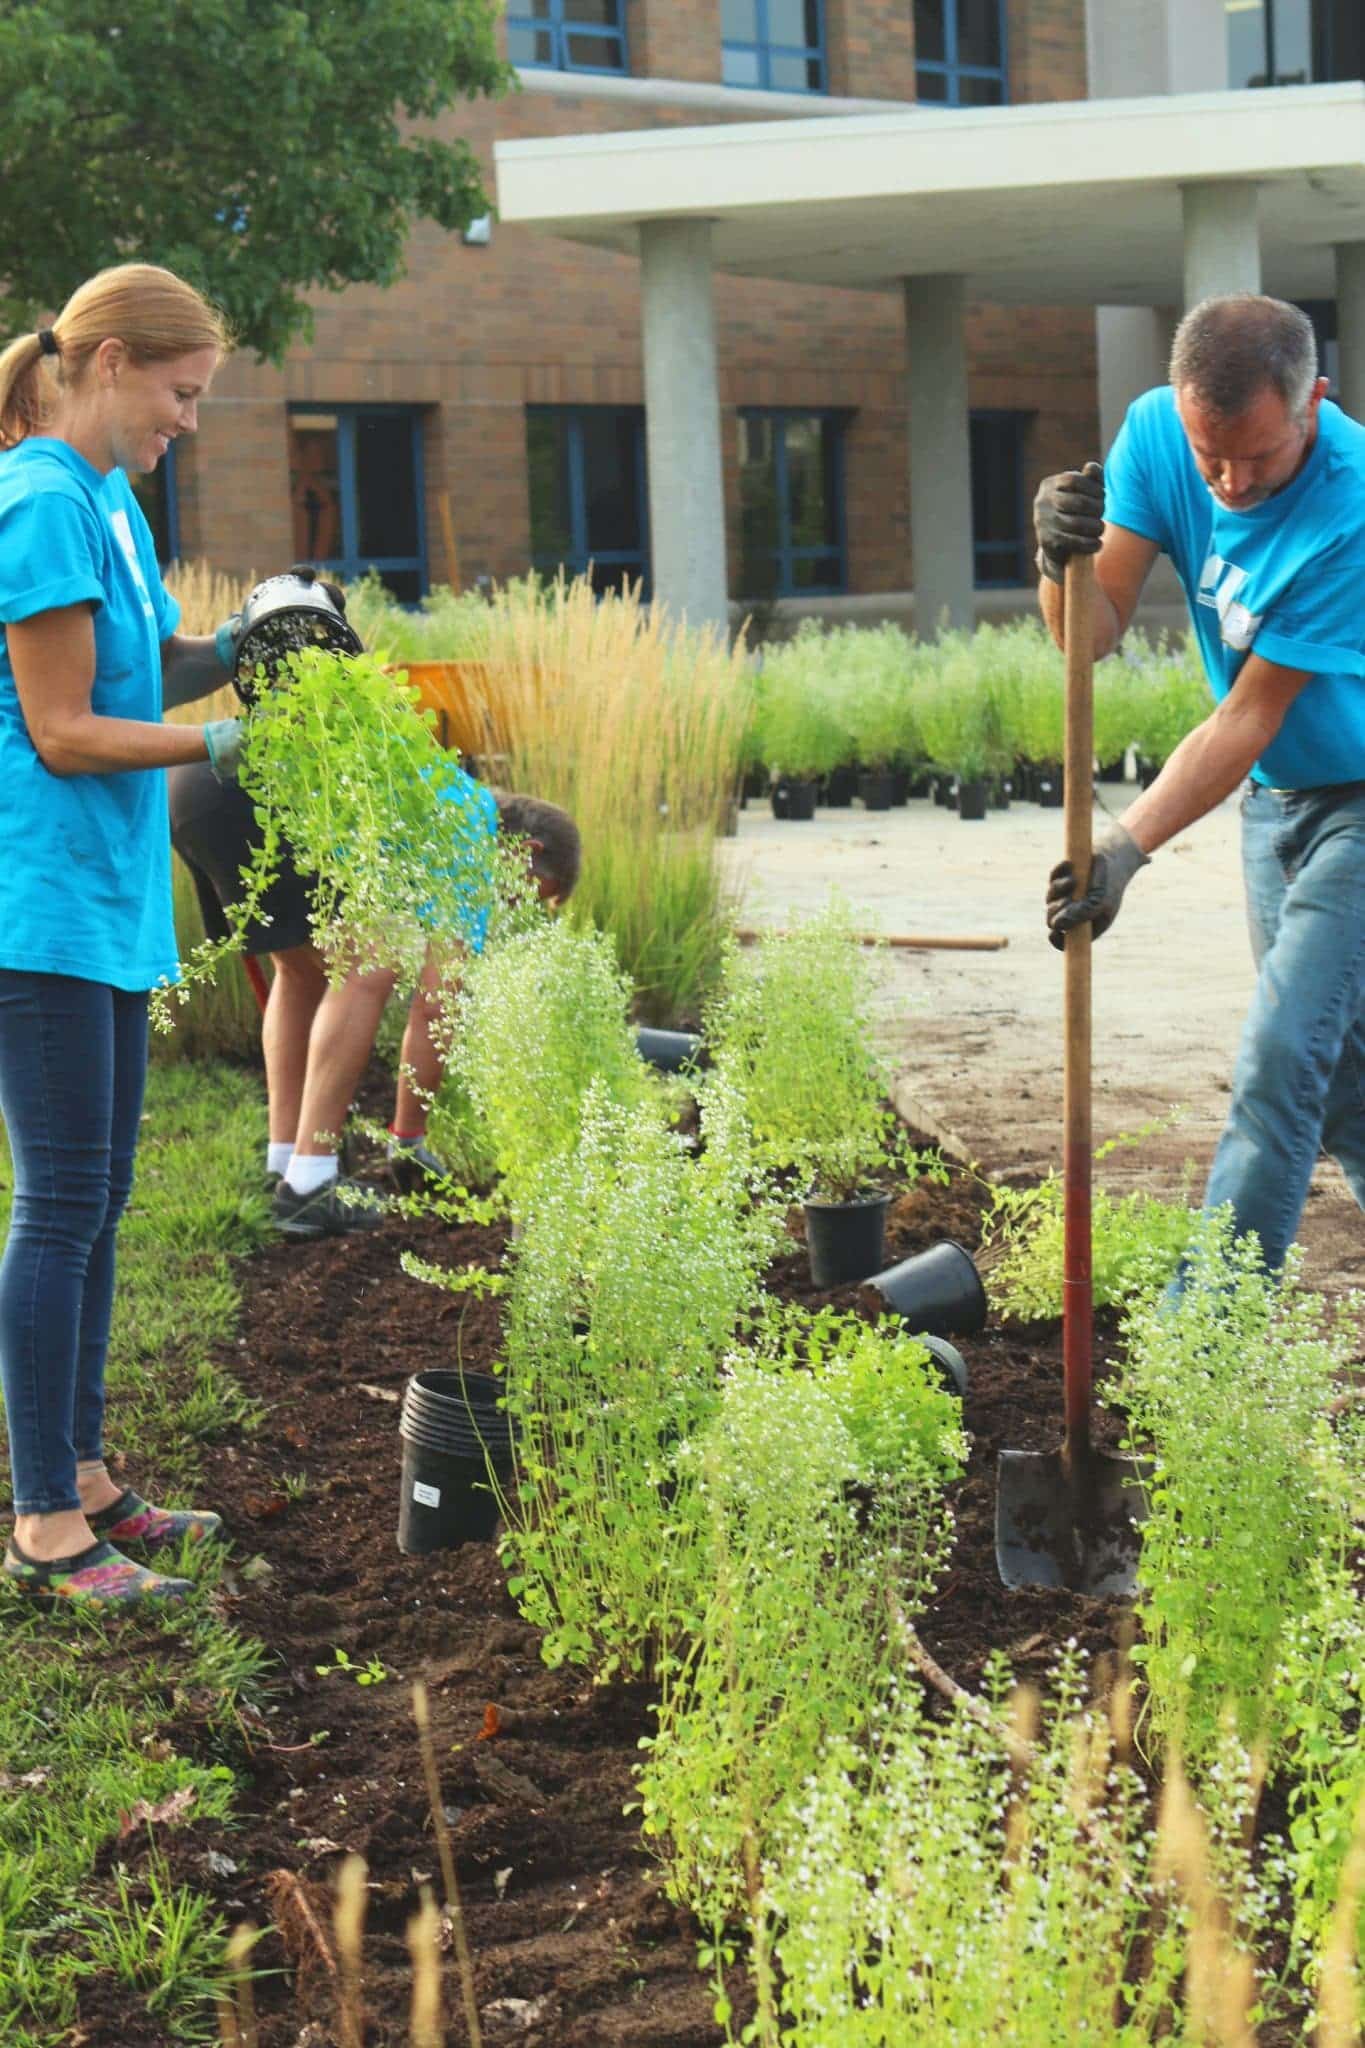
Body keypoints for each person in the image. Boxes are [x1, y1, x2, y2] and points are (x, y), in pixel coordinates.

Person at [0, 264, 249, 1608]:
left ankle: (86, 1474)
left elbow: (143, 662)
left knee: (96, 1203)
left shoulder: (108, 495)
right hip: (31, 903)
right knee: (56, 1208)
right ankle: (43, 1522)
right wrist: (223, 739)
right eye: (178, 392)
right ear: (105, 362)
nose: (189, 421)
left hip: (102, 901)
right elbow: (63, 730)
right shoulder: (37, 497)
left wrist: (258, 644)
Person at [1035, 292, 1365, 1274]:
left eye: (1257, 456)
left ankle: (1205, 1337)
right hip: (1276, 804)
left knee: (1281, 1054)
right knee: (1343, 1076)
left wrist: (1123, 846)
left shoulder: (1351, 503)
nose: (1227, 478)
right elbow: (1086, 639)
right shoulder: (1154, 434)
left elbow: (1249, 713)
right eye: (1207, 451)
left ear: (1314, 399)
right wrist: (1057, 558)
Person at [169, 756, 580, 1238]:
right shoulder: (470, 827)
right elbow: (436, 1005)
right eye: (526, 891)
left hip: (199, 784)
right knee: (375, 956)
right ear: (522, 849)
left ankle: (286, 1166)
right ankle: (310, 1187)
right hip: (257, 792)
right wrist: (408, 1138)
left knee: (300, 972)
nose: (509, 905)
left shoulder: (440, 791)